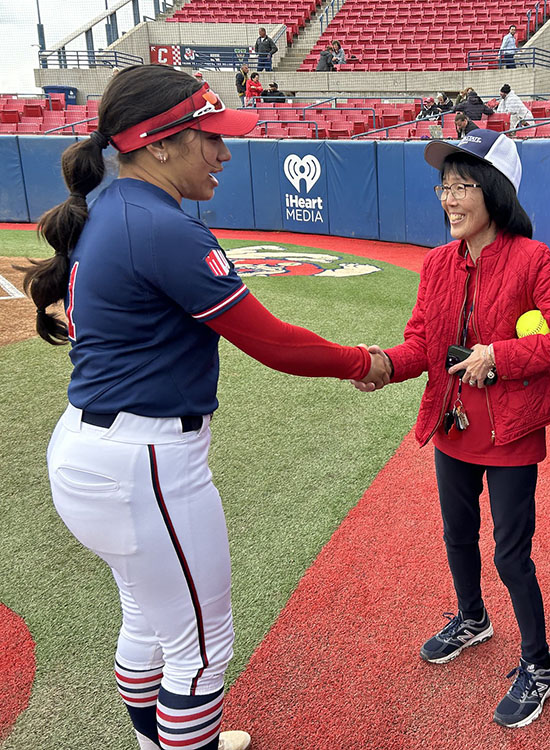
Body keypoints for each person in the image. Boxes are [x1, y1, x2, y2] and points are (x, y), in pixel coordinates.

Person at [20, 64, 390, 750]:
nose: (223, 153)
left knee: (149, 621)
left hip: (91, 451)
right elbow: (273, 343)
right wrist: (370, 362)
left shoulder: (114, 206)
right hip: (145, 463)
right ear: (160, 144)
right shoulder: (164, 228)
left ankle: (155, 743)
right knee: (199, 650)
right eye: (208, 138)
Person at [355, 129, 550, 728]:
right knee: (457, 537)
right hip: (453, 424)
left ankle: (540, 663)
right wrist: (383, 365)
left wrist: (500, 355)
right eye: (445, 186)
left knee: (511, 556)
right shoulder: (436, 263)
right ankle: (472, 617)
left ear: (494, 189)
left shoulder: (530, 258)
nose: (449, 198)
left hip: (511, 430)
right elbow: (420, 345)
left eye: (462, 185)